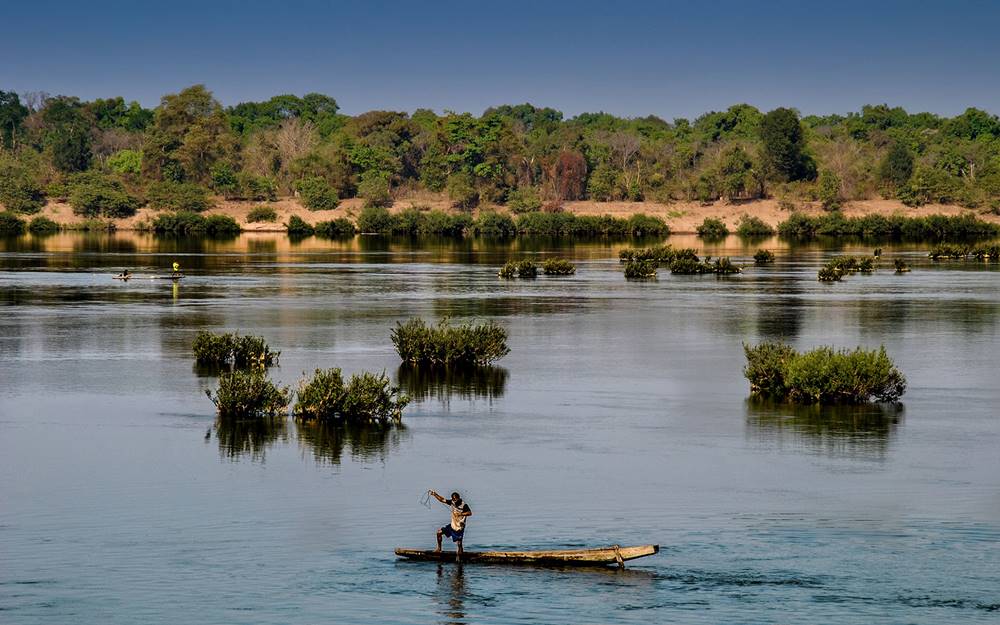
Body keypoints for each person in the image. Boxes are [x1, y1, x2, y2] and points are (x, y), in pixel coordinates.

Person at [430, 490, 472, 561]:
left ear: (459, 498)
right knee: (439, 533)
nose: (454, 501)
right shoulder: (452, 502)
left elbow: (470, 513)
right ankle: (439, 549)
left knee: (459, 544)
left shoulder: (464, 505)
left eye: (455, 499)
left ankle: (460, 556)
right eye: (453, 499)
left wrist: (461, 514)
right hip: (452, 525)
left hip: (459, 526)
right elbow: (442, 500)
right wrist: (435, 494)